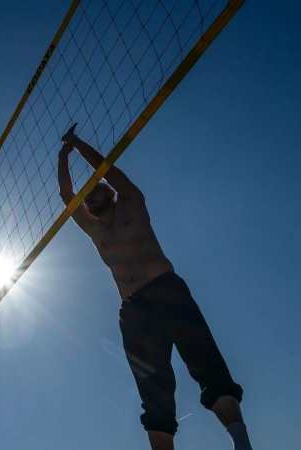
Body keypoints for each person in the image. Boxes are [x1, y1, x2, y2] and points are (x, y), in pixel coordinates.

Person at [57, 124, 253, 450]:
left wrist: (77, 144)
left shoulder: (132, 201)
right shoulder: (94, 231)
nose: (89, 198)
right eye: (87, 196)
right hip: (133, 310)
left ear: (111, 193)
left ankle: (242, 443)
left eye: (96, 191)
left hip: (166, 290)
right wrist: (63, 155)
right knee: (155, 399)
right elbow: (66, 195)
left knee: (209, 369)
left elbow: (108, 169)